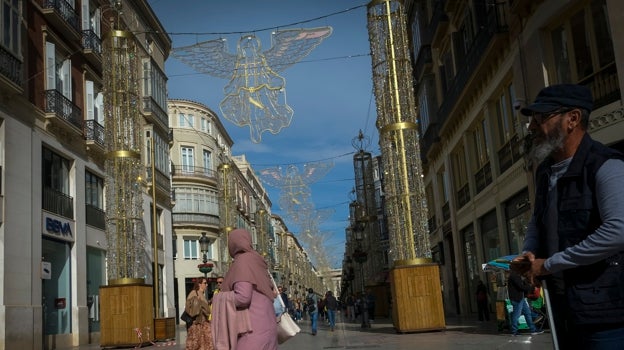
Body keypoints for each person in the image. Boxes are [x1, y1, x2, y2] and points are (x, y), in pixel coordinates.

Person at [517, 83, 624, 349]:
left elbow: (617, 231)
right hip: (563, 310)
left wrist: (550, 264)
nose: (532, 127)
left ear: (572, 119)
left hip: (606, 316)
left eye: (541, 118)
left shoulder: (606, 165)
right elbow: (537, 220)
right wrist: (530, 252)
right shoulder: (546, 171)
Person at [211, 228, 277, 350]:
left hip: (252, 331)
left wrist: (218, 298)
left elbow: (243, 297)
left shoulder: (243, 261)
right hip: (268, 328)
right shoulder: (257, 260)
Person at [507, 270, 541, 336]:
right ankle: (514, 331)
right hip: (517, 299)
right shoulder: (514, 276)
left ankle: (533, 330)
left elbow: (521, 286)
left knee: (527, 313)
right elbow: (521, 286)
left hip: (520, 298)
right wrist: (531, 287)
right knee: (516, 315)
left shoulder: (517, 275)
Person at [185, 277, 214, 350]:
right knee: (195, 344)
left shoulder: (201, 294)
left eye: (206, 283)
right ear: (199, 284)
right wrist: (199, 305)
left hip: (204, 322)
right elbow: (188, 307)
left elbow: (207, 310)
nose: (207, 285)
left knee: (206, 343)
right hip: (197, 323)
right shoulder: (194, 293)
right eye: (205, 283)